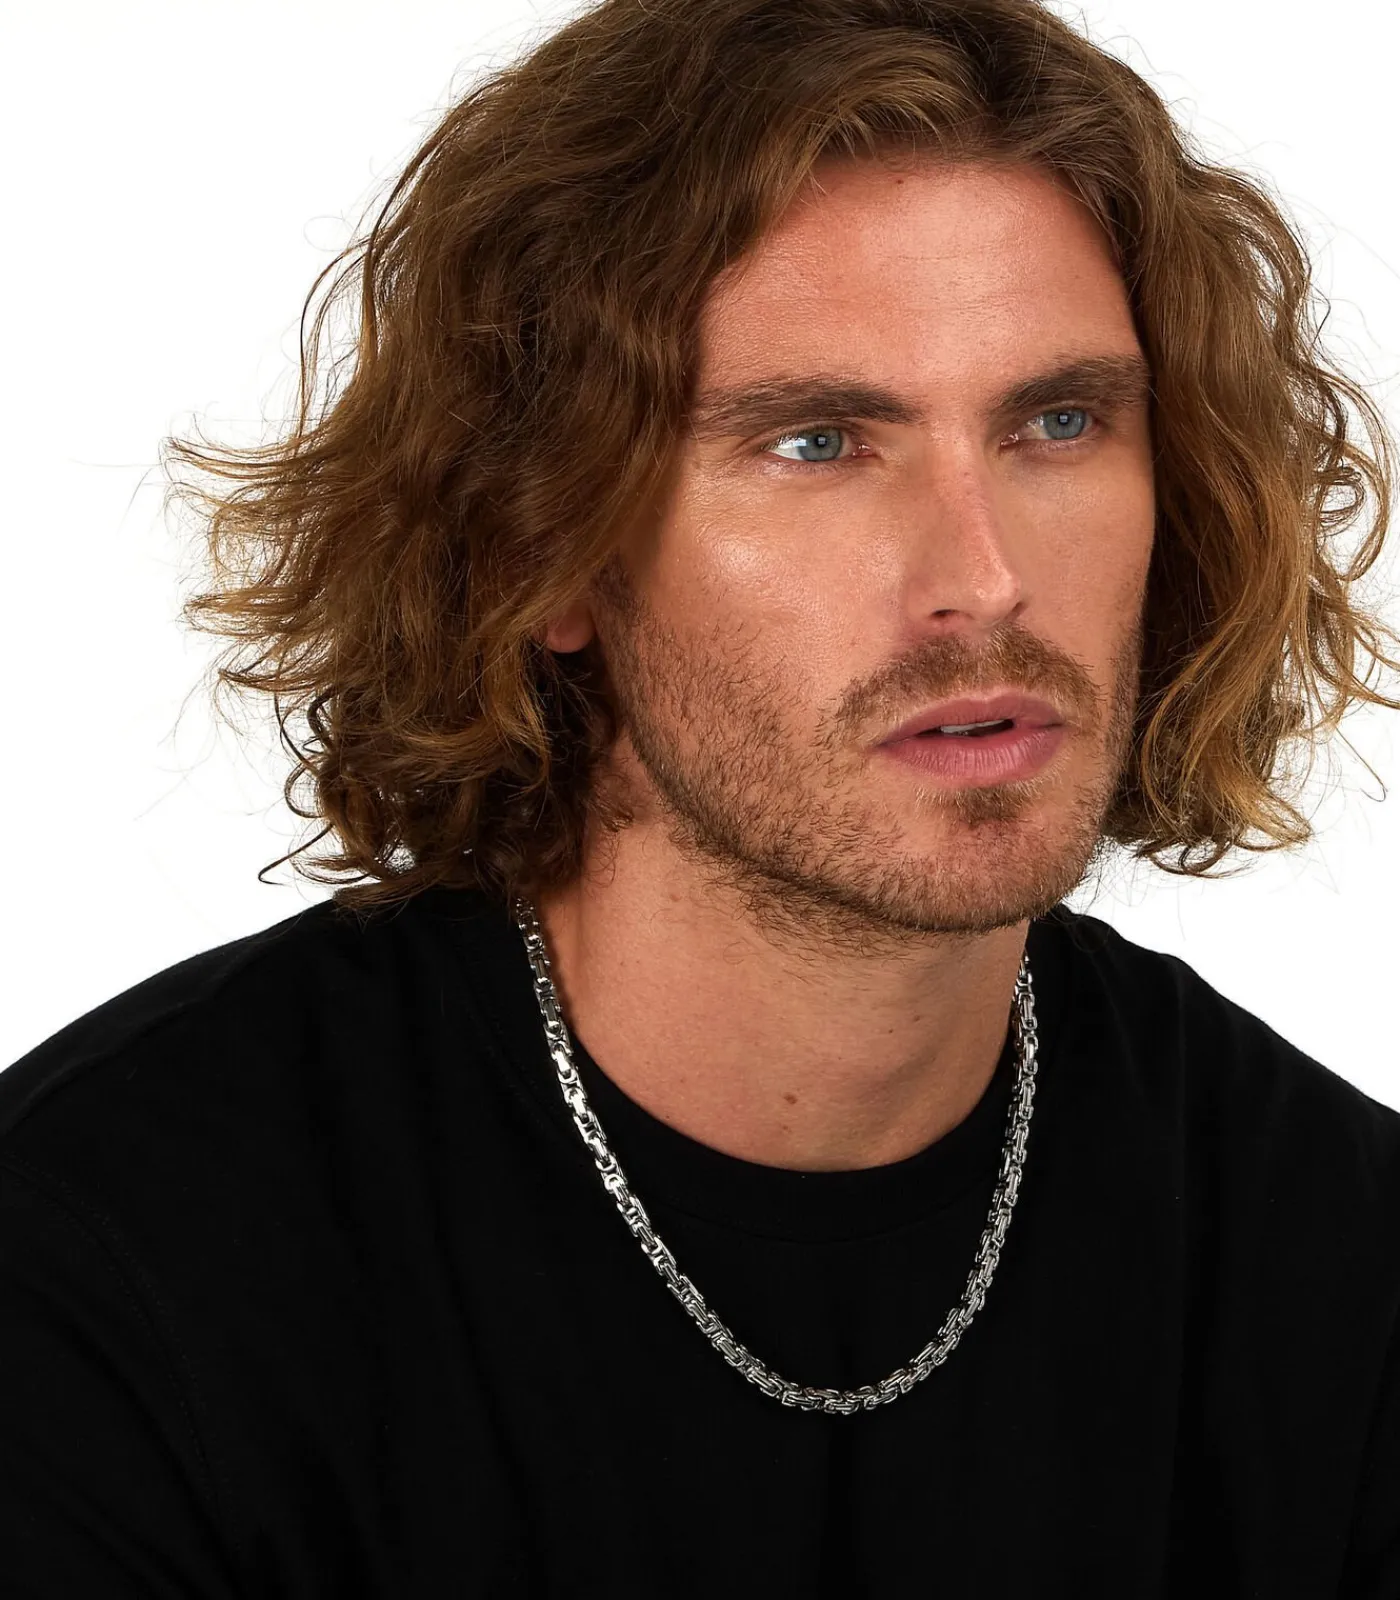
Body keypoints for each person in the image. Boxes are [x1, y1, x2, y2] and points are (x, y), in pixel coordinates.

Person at [4, 0, 1400, 1592]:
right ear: (541, 543)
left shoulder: (1333, 1262)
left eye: (1058, 422)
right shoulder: (114, 1269)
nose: (986, 577)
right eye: (819, 442)